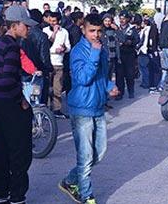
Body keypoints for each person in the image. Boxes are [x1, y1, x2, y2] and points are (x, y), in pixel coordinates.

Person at [58, 14, 119, 204]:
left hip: (98, 107)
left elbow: (100, 76)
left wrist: (109, 87)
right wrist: (93, 53)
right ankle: (87, 196)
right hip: (81, 109)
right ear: (83, 30)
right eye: (92, 31)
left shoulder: (100, 49)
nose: (96, 35)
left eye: (99, 31)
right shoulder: (78, 51)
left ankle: (69, 181)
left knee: (98, 153)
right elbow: (83, 79)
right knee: (85, 157)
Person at [0, 5, 36, 204]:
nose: (28, 29)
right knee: (20, 152)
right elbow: (7, 78)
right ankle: (17, 196)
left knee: (2, 149)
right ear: (15, 25)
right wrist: (21, 99)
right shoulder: (11, 46)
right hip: (10, 104)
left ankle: (1, 193)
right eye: (26, 26)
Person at [43, 12, 71, 118]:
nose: (52, 23)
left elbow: (68, 47)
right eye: (50, 21)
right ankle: (46, 110)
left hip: (59, 62)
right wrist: (54, 33)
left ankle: (57, 109)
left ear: (59, 21)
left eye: (54, 21)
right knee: (47, 88)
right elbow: (46, 46)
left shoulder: (64, 32)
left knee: (57, 88)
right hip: (48, 62)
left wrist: (64, 49)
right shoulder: (45, 31)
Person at [115, 11, 138, 99]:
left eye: (124, 19)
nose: (122, 20)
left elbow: (137, 40)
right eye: (120, 18)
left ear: (128, 19)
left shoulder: (132, 29)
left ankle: (131, 92)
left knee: (130, 75)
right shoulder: (117, 29)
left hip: (129, 54)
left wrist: (131, 42)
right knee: (119, 75)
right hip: (119, 54)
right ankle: (120, 93)